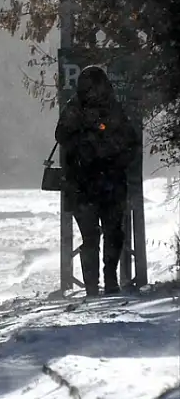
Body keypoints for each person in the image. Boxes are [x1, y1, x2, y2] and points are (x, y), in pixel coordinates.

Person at [55, 66, 140, 296]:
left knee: (113, 234)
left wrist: (113, 152)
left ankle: (109, 281)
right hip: (85, 184)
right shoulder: (76, 108)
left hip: (108, 182)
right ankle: (92, 286)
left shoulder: (113, 109)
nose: (92, 92)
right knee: (91, 237)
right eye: (88, 87)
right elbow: (62, 135)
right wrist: (85, 132)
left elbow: (131, 142)